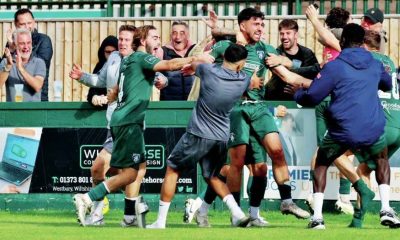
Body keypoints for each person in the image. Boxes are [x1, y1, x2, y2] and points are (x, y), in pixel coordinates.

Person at [72, 25, 211, 227]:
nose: (158, 42)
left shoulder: (127, 60)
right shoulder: (139, 57)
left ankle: (129, 214)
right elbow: (170, 64)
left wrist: (112, 97)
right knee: (129, 173)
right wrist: (195, 59)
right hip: (129, 121)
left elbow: (118, 89)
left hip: (123, 120)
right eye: (154, 37)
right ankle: (87, 199)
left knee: (136, 169)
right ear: (144, 40)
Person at [275, 23, 390, 229]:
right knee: (381, 159)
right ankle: (386, 209)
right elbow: (387, 84)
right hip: (373, 128)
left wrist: (297, 94)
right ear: (362, 42)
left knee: (321, 162)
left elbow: (312, 97)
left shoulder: (335, 66)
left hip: (342, 129)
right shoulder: (374, 64)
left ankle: (317, 217)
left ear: (343, 41)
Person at [209, 8, 309, 224]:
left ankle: (285, 201)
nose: (260, 28)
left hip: (259, 107)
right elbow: (205, 64)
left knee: (274, 154)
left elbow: (288, 74)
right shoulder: (226, 47)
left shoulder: (265, 50)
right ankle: (236, 213)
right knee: (235, 164)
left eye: (262, 24)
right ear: (242, 25)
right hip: (235, 108)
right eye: (256, 24)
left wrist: (314, 81)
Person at [147, 44, 255, 229]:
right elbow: (250, 81)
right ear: (240, 65)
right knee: (213, 177)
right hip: (221, 138)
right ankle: (237, 213)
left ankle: (160, 222)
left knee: (173, 169)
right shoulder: (244, 79)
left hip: (198, 133)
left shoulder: (208, 70)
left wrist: (196, 64)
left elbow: (196, 62)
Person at [70, 25, 159, 227]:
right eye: (120, 39)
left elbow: (159, 76)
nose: (122, 42)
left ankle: (98, 207)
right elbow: (100, 81)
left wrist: (163, 81)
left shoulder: (139, 59)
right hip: (114, 123)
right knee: (127, 172)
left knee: (111, 168)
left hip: (130, 123)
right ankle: (124, 212)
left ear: (135, 42)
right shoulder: (113, 58)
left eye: (126, 39)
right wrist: (82, 76)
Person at [304, 5, 356, 215]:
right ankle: (345, 197)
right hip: (337, 98)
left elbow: (324, 38)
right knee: (345, 146)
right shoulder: (343, 38)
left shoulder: (324, 37)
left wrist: (317, 22)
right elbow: (333, 40)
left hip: (324, 96)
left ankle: (312, 193)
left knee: (324, 147)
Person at [353, 30, 400, 228]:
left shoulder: (365, 59)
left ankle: (361, 219)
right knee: (366, 167)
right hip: (396, 125)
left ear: (363, 45)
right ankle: (384, 210)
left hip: (378, 123)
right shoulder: (389, 61)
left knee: (334, 152)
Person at [4, 8, 53, 101]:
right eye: (22, 24)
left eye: (29, 23)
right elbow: (3, 67)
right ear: (16, 25)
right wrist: (11, 48)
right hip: (15, 99)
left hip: (39, 97)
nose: (27, 27)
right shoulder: (12, 43)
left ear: (34, 22)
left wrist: (17, 49)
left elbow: (39, 64)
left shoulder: (44, 40)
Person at [265, 19, 319, 100]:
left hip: (302, 99)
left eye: (288, 33)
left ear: (296, 35)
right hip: (277, 99)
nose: (284, 37)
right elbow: (285, 75)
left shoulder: (307, 53)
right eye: (282, 34)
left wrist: (290, 64)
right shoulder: (276, 54)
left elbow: (312, 74)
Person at [0, 28, 46, 102]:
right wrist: (8, 66)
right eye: (22, 43)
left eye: (28, 43)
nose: (26, 47)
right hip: (13, 112)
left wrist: (21, 68)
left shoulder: (39, 62)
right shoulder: (6, 62)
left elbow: (38, 86)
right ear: (14, 45)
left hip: (34, 111)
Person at [159, 21, 196, 100]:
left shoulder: (197, 51)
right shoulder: (162, 51)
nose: (177, 37)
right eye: (174, 33)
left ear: (188, 35)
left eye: (182, 33)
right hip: (169, 104)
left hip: (193, 103)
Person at [86, 35, 118, 108]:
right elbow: (93, 89)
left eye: (114, 52)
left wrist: (108, 97)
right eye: (108, 52)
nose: (111, 55)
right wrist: (94, 97)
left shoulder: (123, 65)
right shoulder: (100, 66)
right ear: (103, 52)